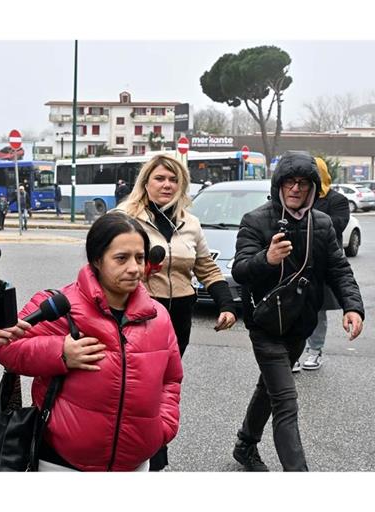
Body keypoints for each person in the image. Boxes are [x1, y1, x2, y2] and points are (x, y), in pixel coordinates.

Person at [0, 212, 183, 471]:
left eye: (140, 258)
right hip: (62, 464)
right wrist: (60, 352)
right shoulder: (60, 306)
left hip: (137, 464)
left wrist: (163, 427)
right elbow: (5, 346)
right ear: (97, 260)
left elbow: (171, 379)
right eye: (121, 258)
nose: (134, 268)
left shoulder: (158, 316)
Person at [231, 151, 364, 471]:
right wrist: (268, 258)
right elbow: (240, 270)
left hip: (299, 325)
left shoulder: (322, 224)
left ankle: (245, 444)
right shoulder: (255, 220)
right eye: (290, 181)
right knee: (286, 402)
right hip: (264, 325)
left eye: (304, 183)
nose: (296, 188)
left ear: (313, 188)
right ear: (279, 185)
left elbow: (339, 269)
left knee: (270, 387)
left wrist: (353, 307)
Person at [115, 153, 236, 469]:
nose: (167, 185)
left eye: (173, 179)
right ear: (146, 182)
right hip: (137, 313)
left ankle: (153, 446)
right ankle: (142, 453)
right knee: (137, 385)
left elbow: (206, 266)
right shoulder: (124, 217)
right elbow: (102, 265)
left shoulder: (190, 222)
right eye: (159, 178)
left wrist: (226, 304)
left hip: (179, 314)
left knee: (163, 384)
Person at [293, 157, 350, 372]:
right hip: (298, 262)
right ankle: (295, 352)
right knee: (294, 309)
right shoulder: (299, 196)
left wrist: (308, 218)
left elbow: (337, 226)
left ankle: (315, 351)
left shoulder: (337, 200)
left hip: (323, 265)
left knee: (317, 310)